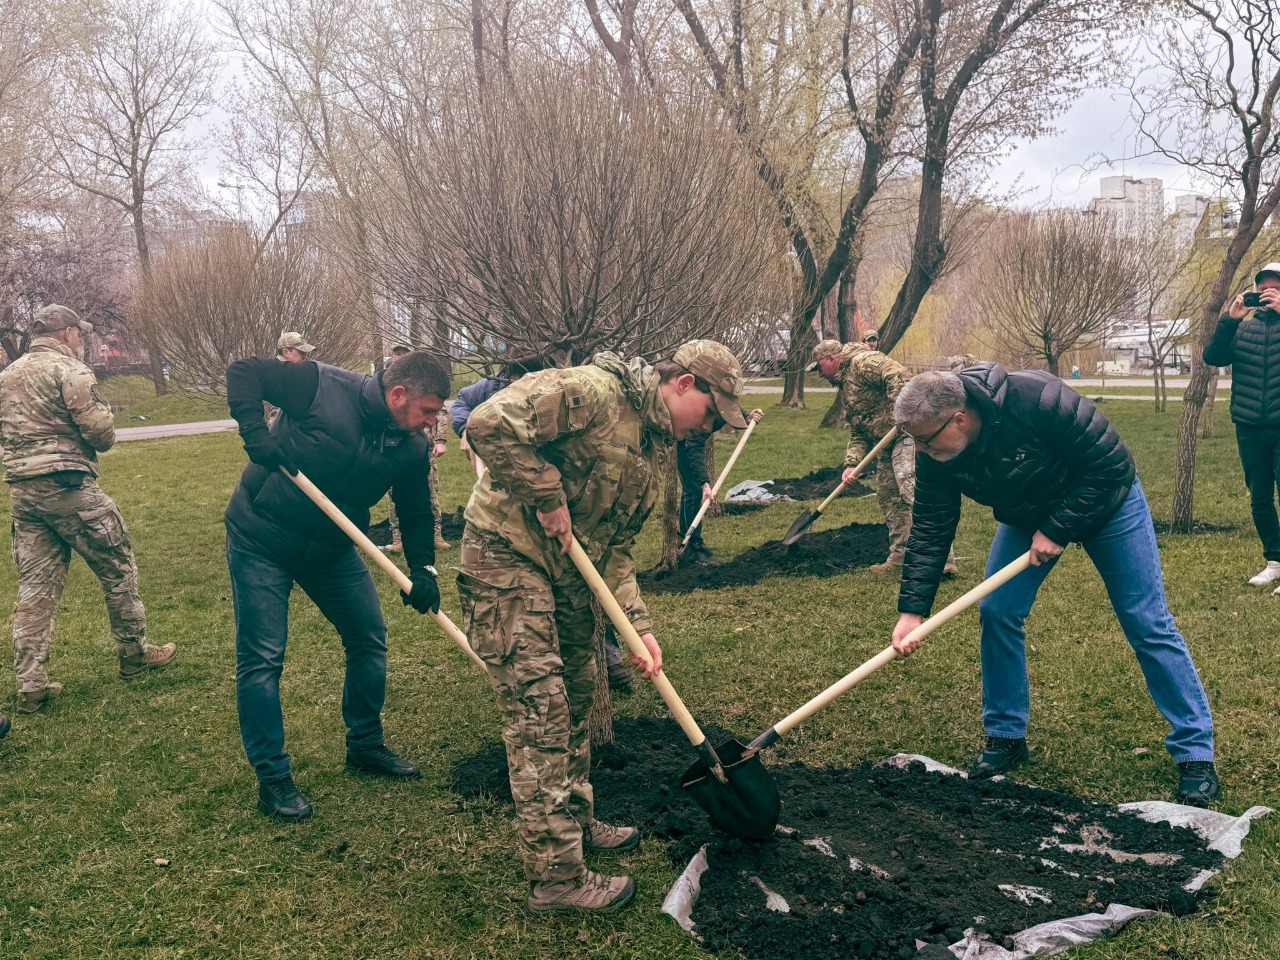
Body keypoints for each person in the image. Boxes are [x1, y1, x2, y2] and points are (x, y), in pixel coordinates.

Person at [459, 340, 747, 914]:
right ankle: (556, 879)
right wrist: (546, 493)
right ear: (685, 383)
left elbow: (614, 550)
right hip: (506, 559)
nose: (708, 429)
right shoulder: (592, 391)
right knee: (541, 710)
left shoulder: (650, 446)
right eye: (712, 414)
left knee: (580, 693)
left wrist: (637, 626)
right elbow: (488, 425)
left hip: (566, 573)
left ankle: (576, 822)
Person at [889, 366, 1219, 806]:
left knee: (1147, 621)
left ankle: (1195, 753)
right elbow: (931, 528)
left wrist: (1059, 528)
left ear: (960, 418)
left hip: (1108, 502)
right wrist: (912, 611)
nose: (921, 450)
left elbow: (1110, 464)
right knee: (997, 610)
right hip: (1028, 515)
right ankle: (1006, 734)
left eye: (926, 439)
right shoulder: (936, 453)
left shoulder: (1039, 399)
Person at [224, 349, 450, 822]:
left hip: (332, 547)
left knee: (368, 638)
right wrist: (255, 434)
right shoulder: (320, 387)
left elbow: (412, 511)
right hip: (261, 536)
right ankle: (274, 779)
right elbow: (244, 371)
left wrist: (424, 570)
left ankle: (365, 745)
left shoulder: (410, 446)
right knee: (262, 657)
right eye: (428, 411)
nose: (432, 423)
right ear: (398, 394)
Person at [0, 305, 177, 714]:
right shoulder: (70, 371)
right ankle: (134, 656)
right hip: (69, 487)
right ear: (65, 333)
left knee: (35, 590)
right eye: (79, 333)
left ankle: (31, 686)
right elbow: (101, 435)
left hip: (23, 494)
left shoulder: (7, 375)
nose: (82, 338)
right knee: (118, 568)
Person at [808, 338, 954, 574]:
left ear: (831, 359)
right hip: (884, 442)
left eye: (819, 367)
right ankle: (901, 556)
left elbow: (898, 375)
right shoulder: (846, 385)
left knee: (912, 492)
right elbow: (859, 427)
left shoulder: (862, 362)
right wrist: (851, 463)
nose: (819, 374)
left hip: (906, 433)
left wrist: (901, 414)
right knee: (889, 498)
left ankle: (942, 558)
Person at [1204, 262, 1280, 590]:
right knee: (1260, 498)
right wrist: (1230, 320)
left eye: (1275, 286)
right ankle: (1274, 560)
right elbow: (1214, 357)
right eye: (1262, 287)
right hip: (1248, 426)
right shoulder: (1243, 329)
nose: (1267, 291)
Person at [677, 408, 765, 567]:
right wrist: (705, 483)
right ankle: (692, 545)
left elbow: (729, 405)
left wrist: (746, 415)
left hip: (689, 442)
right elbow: (694, 451)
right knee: (693, 491)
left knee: (691, 491)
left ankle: (687, 537)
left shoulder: (719, 402)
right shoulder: (698, 420)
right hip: (684, 445)